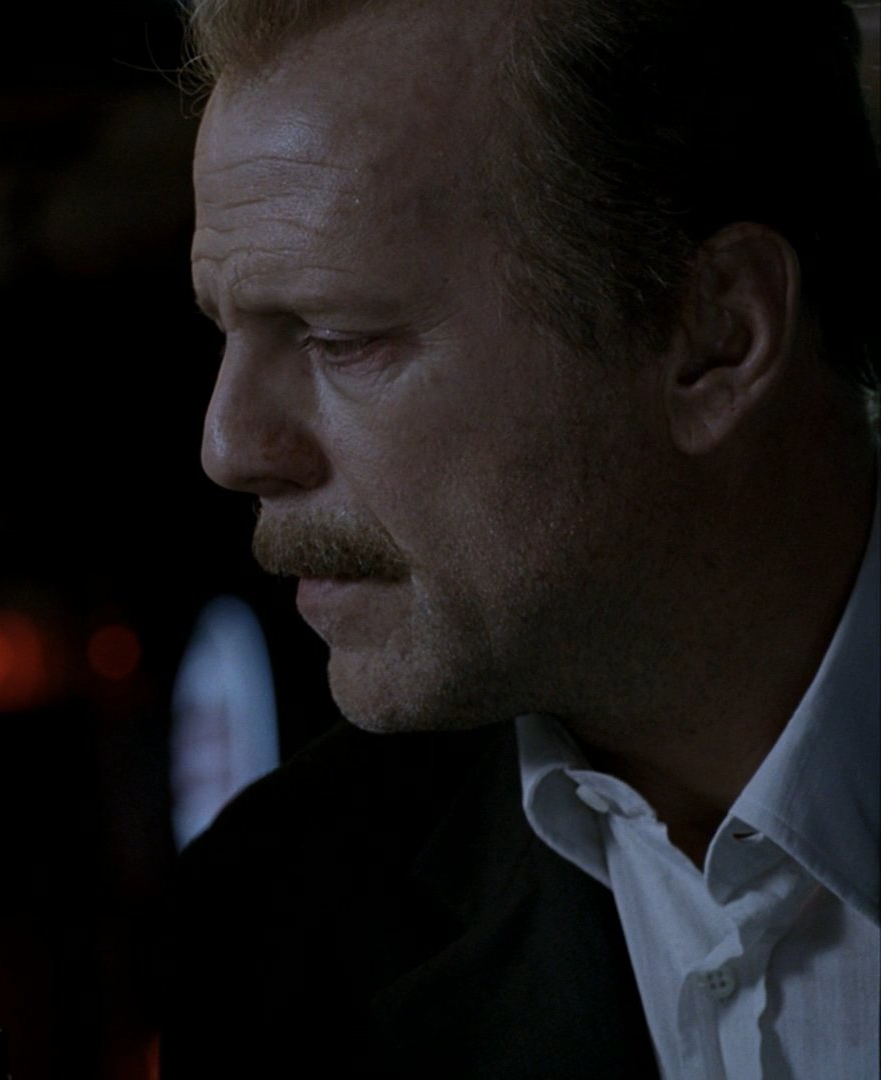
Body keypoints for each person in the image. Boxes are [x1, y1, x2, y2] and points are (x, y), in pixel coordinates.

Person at [166, 0, 877, 1075]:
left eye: (338, 337)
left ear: (716, 336)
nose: (230, 447)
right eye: (226, 331)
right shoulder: (271, 926)